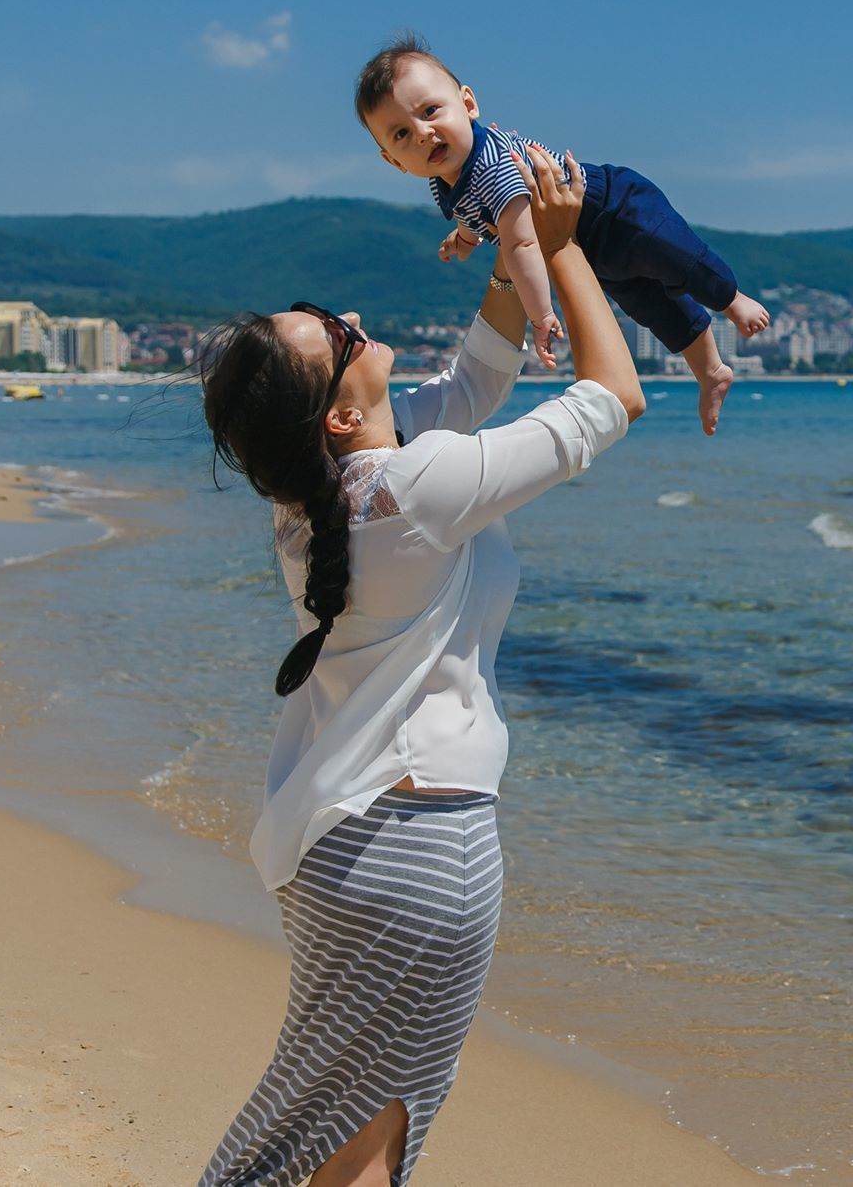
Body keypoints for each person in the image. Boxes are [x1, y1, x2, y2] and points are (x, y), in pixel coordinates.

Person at [195, 147, 644, 1187]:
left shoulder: (318, 501)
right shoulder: (418, 485)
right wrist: (567, 254)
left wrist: (510, 236)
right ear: (339, 415)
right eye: (337, 335)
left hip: (338, 852)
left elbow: (478, 382)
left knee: (317, 1121)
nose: (349, 316)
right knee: (369, 1132)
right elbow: (612, 394)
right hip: (417, 853)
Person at [355, 34, 768, 435]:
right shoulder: (445, 180)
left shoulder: (493, 165)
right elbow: (473, 215)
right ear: (395, 162)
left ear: (468, 104)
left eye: (430, 111)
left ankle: (732, 299)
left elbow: (522, 243)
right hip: (583, 247)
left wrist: (540, 315)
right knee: (652, 307)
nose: (423, 132)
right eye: (402, 134)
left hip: (612, 207)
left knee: (676, 254)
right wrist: (465, 238)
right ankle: (711, 370)